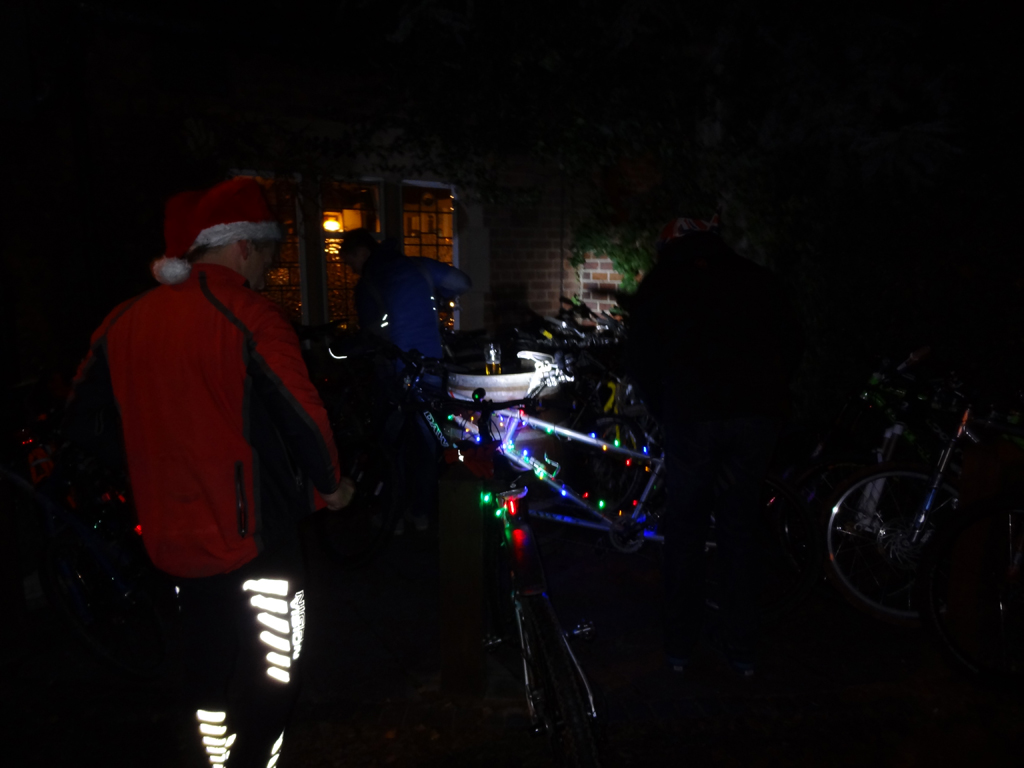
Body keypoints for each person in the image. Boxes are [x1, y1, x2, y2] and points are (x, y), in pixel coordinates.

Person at [65, 177, 354, 767]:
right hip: (259, 537)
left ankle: (214, 762)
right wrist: (332, 485)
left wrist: (150, 463)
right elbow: (304, 416)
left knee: (203, 666)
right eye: (267, 255)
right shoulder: (248, 314)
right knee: (276, 668)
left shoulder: (122, 321)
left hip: (174, 538)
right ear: (243, 246)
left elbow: (81, 423)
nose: (268, 269)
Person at [626, 216, 803, 677]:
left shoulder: (663, 282)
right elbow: (792, 342)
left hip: (693, 416)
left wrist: (663, 406)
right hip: (755, 416)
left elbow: (640, 353)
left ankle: (680, 646)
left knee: (685, 528)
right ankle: (742, 647)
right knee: (740, 528)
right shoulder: (757, 278)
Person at [340, 228, 471, 532]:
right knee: (428, 442)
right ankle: (421, 513)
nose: (351, 269)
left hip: (394, 373)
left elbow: (371, 335)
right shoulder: (419, 266)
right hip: (430, 367)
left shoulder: (368, 284)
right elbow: (463, 282)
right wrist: (439, 295)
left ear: (363, 253)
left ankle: (393, 517)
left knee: (390, 446)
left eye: (350, 261)